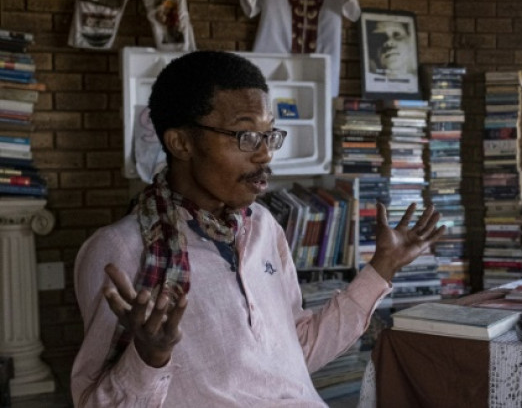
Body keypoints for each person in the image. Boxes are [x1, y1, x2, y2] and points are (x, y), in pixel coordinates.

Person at [70, 51, 444, 406]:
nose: (265, 153)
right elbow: (92, 401)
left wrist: (382, 268)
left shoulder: (264, 227)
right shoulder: (120, 251)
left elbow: (300, 352)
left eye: (269, 135)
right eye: (245, 135)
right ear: (181, 142)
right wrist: (149, 358)